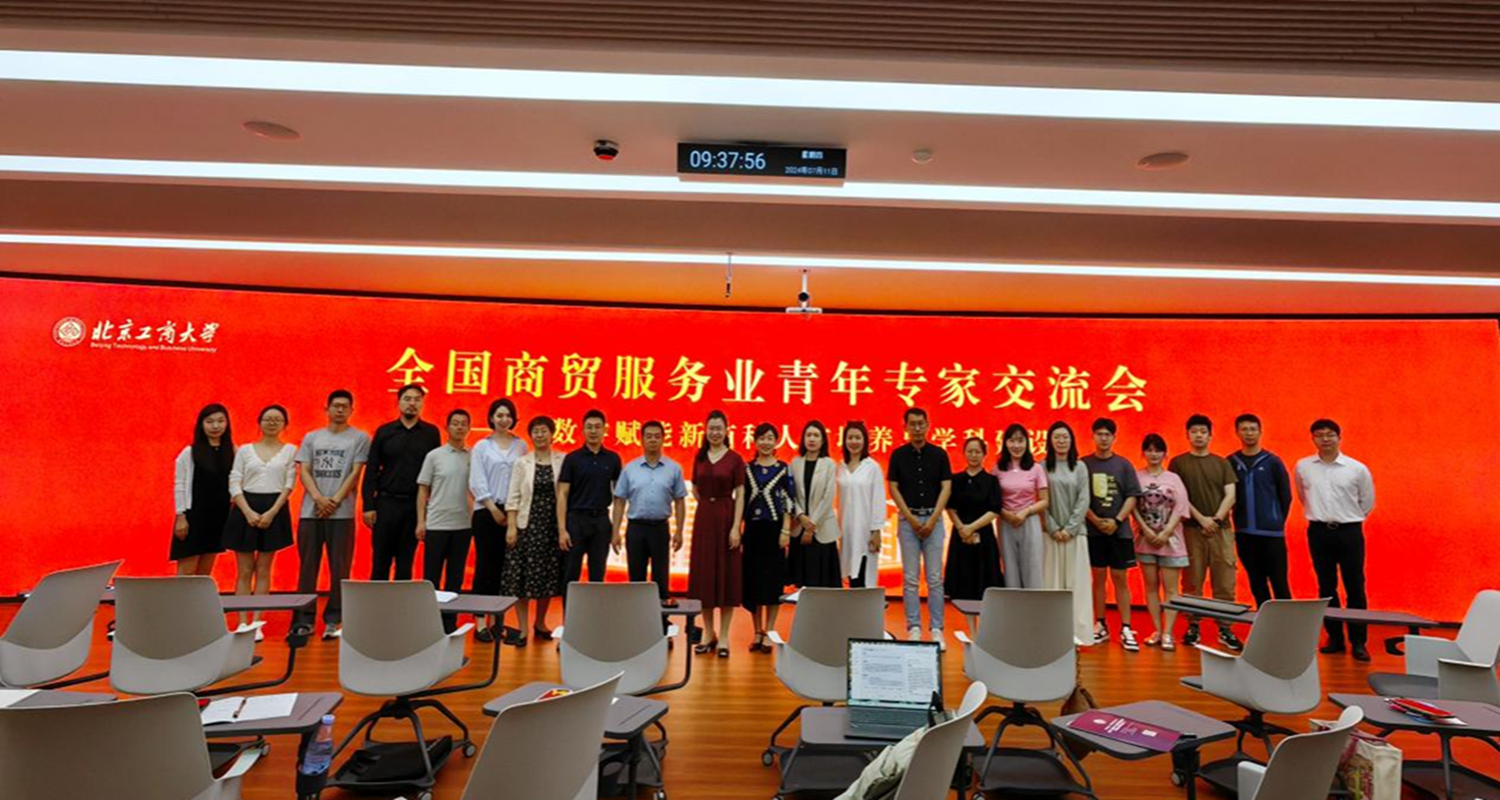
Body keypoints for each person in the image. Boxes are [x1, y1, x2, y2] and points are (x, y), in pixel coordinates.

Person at [1295, 418, 1376, 662]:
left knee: (1355, 585)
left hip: (1349, 531)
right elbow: (1302, 495)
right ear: (1313, 439)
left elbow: (1367, 502)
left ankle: (1359, 641)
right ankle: (1335, 637)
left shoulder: (1356, 468)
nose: (1325, 439)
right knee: (1326, 586)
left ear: (1339, 438)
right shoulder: (1303, 466)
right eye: (1319, 435)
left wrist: (1347, 518)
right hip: (1318, 531)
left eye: (1330, 434)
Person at [293, 390, 370, 639]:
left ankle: (334, 619)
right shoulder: (312, 437)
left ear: (351, 410)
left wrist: (335, 500)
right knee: (307, 568)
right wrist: (318, 498)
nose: (340, 410)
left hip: (342, 514)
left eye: (345, 406)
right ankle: (303, 620)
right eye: (336, 406)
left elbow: (355, 473)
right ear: (326, 409)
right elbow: (305, 471)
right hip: (311, 512)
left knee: (340, 569)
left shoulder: (359, 438)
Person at [1168, 414, 1243, 651]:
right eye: (1194, 431)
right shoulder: (1178, 463)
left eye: (1203, 431)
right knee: (1192, 581)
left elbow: (1231, 495)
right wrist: (1201, 519)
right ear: (1187, 435)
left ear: (1210, 436)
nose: (1199, 435)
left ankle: (1225, 628)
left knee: (1225, 581)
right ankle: (1193, 626)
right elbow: (1180, 496)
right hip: (1192, 530)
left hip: (1221, 531)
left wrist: (1216, 519)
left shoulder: (1222, 463)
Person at [223, 404, 297, 635]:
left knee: (264, 569)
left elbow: (289, 485)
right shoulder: (245, 450)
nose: (272, 423)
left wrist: (272, 513)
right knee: (244, 570)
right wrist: (247, 512)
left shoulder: (291, 451)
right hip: (245, 507)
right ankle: (242, 621)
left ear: (285, 424)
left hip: (275, 508)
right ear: (259, 422)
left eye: (277, 420)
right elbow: (234, 480)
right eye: (267, 419)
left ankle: (257, 623)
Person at [361, 384, 442, 581]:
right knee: (380, 561)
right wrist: (368, 506)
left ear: (422, 403)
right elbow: (371, 469)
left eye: (417, 399)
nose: (412, 403)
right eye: (407, 399)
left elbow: (436, 472)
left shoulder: (431, 433)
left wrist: (430, 509)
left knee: (406, 563)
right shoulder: (384, 432)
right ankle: (377, 601)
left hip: (414, 505)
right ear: (399, 403)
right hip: (386, 504)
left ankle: (402, 602)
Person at [888, 407, 953, 648]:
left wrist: (934, 518)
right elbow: (893, 488)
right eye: (912, 424)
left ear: (928, 425)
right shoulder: (898, 455)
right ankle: (913, 628)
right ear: (905, 427)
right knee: (910, 579)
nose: (917, 428)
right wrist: (911, 518)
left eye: (921, 424)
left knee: (935, 579)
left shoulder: (939, 454)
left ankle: (936, 630)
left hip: (934, 520)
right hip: (908, 522)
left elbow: (946, 487)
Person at [502, 416, 567, 647]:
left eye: (544, 431)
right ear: (531, 436)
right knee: (521, 578)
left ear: (552, 434)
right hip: (526, 526)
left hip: (552, 527)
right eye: (536, 431)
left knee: (547, 577)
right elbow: (513, 496)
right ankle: (522, 628)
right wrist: (511, 526)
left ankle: (540, 623)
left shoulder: (562, 460)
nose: (540, 435)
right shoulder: (523, 462)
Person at [686, 410, 745, 658]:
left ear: (726, 431)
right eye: (711, 428)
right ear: (705, 430)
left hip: (726, 517)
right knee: (705, 578)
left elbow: (740, 494)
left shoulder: (735, 459)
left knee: (727, 577)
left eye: (719, 428)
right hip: (704, 520)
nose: (715, 432)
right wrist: (707, 504)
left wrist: (736, 526)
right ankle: (708, 633)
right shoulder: (699, 457)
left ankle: (724, 637)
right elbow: (695, 488)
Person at [611, 420, 688, 607]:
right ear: (642, 440)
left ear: (663, 439)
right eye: (649, 436)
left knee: (661, 578)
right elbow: (620, 501)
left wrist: (679, 531)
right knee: (636, 578)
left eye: (657, 436)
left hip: (660, 528)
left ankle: (661, 622)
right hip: (636, 529)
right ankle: (637, 620)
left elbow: (680, 501)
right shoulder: (630, 469)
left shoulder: (674, 469)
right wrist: (615, 532)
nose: (653, 440)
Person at [469, 398, 527, 642]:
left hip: (512, 512)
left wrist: (511, 512)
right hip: (486, 511)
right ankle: (480, 622)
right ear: (491, 418)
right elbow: (476, 480)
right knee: (485, 566)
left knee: (506, 569)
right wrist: (493, 508)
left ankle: (497, 622)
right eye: (499, 415)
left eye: (508, 415)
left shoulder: (521, 446)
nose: (504, 419)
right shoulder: (482, 446)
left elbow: (523, 479)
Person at [1083, 417, 1142, 652]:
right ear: (1093, 436)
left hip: (1119, 532)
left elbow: (1132, 496)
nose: (1103, 438)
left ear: (1114, 437)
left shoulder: (1124, 465)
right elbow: (1080, 498)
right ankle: (1100, 624)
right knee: (1098, 578)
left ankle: (1126, 627)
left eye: (1108, 434)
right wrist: (1096, 520)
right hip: (1093, 531)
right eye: (1099, 434)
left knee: (1120, 579)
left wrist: (1116, 520)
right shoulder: (1084, 464)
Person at [742, 423, 798, 654]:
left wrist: (785, 530)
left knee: (773, 581)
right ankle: (757, 631)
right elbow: (741, 500)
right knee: (753, 581)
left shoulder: (783, 469)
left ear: (776, 441)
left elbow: (789, 500)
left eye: (770, 438)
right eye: (761, 438)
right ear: (755, 442)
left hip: (775, 531)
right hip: (752, 531)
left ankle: (770, 630)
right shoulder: (747, 469)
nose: (765, 442)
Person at [417, 409, 473, 634]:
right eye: (455, 423)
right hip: (437, 524)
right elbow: (423, 490)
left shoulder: (473, 457)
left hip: (464, 525)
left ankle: (450, 623)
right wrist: (421, 521)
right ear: (447, 427)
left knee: (455, 579)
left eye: (463, 423)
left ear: (469, 428)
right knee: (431, 577)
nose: (459, 427)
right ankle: (428, 623)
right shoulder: (434, 456)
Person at [1229, 413, 1294, 607]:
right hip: (1244, 533)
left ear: (1260, 432)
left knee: (1279, 582)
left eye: (1253, 429)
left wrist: (1275, 519)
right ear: (1237, 433)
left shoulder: (1273, 462)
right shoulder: (1231, 462)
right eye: (1244, 429)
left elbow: (1285, 496)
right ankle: (1265, 621)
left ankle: (1288, 623)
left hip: (1271, 534)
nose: (1249, 433)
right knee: (1257, 582)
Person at [1134, 434, 1191, 651]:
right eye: (1149, 450)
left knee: (1171, 590)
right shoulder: (1137, 476)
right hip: (1145, 539)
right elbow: (1132, 506)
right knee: (1150, 587)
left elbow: (1181, 507)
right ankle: (1157, 630)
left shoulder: (1173, 478)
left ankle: (1168, 632)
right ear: (1143, 453)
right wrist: (1145, 529)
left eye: (1158, 450)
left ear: (1165, 453)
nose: (1153, 454)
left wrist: (1166, 531)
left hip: (1171, 541)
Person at [1041, 421, 1095, 646]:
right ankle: (1052, 635)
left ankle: (1079, 636)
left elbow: (1084, 499)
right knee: (1051, 585)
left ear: (1071, 441)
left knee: (1077, 586)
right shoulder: (1042, 467)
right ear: (1050, 441)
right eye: (1057, 437)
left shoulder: (1080, 467)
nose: (1061, 441)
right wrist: (1053, 527)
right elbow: (1040, 500)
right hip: (1050, 535)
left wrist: (1070, 528)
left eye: (1065, 437)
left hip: (1076, 534)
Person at [558, 409, 622, 586]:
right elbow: (562, 494)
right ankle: (569, 606)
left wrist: (616, 530)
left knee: (598, 575)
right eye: (589, 427)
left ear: (605, 430)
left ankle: (596, 606)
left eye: (597, 427)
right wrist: (562, 530)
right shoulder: (572, 459)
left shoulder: (613, 459)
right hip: (576, 521)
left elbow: (619, 497)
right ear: (583, 430)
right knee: (570, 574)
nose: (593, 431)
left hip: (601, 521)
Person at [172, 404, 233, 577]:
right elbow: (180, 484)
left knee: (204, 574)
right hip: (193, 517)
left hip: (218, 517)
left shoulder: (233, 451)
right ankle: (179, 597)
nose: (215, 426)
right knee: (187, 571)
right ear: (201, 424)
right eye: (210, 421)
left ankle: (200, 597)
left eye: (220, 421)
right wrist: (181, 516)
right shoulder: (190, 452)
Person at [944, 437, 1003, 608]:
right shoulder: (956, 480)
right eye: (970, 451)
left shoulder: (991, 481)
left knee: (985, 583)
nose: (973, 455)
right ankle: (968, 622)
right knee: (962, 584)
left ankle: (985, 621)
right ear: (964, 453)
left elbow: (994, 510)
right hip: (960, 535)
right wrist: (961, 528)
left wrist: (971, 527)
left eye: (977, 451)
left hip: (983, 535)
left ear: (984, 454)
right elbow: (950, 507)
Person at [789, 420, 843, 588]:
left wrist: (810, 527)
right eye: (808, 435)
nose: (812, 439)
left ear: (823, 440)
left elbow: (828, 498)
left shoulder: (829, 464)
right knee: (802, 584)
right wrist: (800, 516)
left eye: (816, 435)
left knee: (822, 582)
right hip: (799, 528)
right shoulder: (795, 463)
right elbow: (790, 494)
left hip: (822, 530)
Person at [996, 424, 1050, 588]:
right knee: (1010, 567)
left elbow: (1045, 500)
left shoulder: (1036, 468)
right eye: (1012, 441)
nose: (1016, 445)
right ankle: (1013, 605)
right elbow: (993, 500)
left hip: (1029, 521)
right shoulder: (997, 469)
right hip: (1006, 522)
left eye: (1020, 441)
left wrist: (1025, 512)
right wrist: (1005, 513)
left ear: (1027, 443)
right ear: (1005, 443)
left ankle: (1033, 604)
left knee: (1033, 568)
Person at [836, 421, 886, 589]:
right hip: (845, 530)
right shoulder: (840, 467)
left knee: (864, 577)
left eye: (858, 437)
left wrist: (876, 530)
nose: (854, 441)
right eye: (850, 437)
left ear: (865, 441)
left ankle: (866, 607)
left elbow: (878, 500)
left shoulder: (872, 467)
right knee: (850, 574)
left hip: (865, 531)